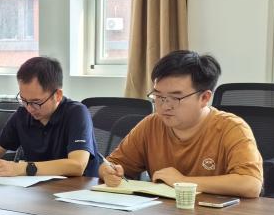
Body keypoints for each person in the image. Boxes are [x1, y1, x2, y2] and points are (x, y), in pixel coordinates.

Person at [99, 51, 263, 198]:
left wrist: (183, 181)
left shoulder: (232, 128)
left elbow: (250, 184)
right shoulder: (151, 125)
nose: (165, 106)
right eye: (158, 96)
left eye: (175, 98)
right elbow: (111, 164)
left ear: (204, 98)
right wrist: (108, 172)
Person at [0, 56, 100, 179]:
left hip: (77, 188)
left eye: (36, 102)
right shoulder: (22, 114)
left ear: (58, 95)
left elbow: (77, 165)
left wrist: (21, 168)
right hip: (37, 187)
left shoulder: (76, 113)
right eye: (24, 100)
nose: (30, 108)